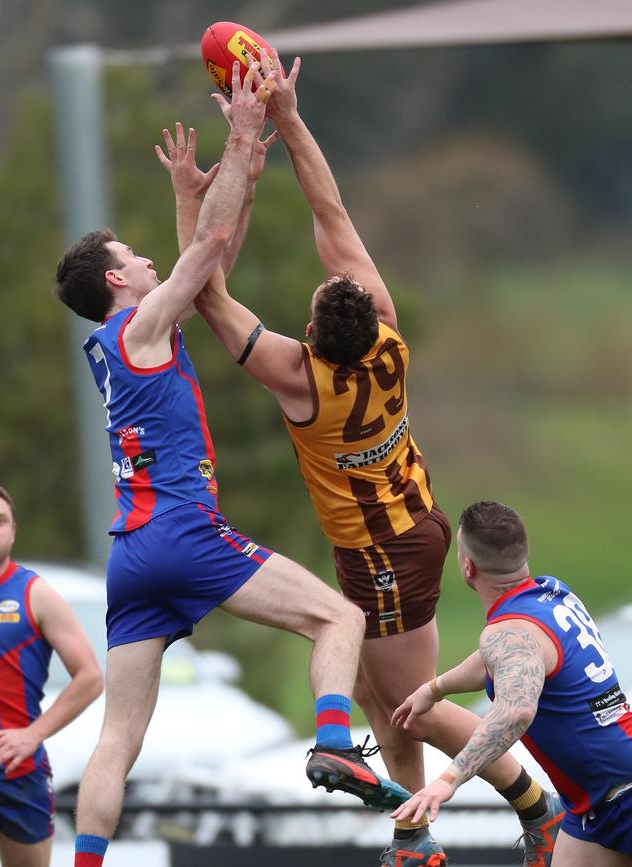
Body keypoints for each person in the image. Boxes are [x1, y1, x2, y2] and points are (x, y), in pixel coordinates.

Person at [161, 48, 564, 867]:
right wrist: (290, 118)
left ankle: (487, 814)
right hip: (409, 526)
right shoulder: (384, 333)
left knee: (406, 704)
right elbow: (331, 211)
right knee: (386, 697)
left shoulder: (301, 379)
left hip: (385, 551)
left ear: (311, 337)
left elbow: (203, 290)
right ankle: (417, 832)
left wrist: (220, 169)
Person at [54, 63, 407, 867]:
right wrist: (248, 127)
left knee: (118, 735)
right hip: (183, 530)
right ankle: (333, 743)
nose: (149, 263)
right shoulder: (142, 323)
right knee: (339, 617)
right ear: (117, 280)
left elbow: (207, 268)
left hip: (131, 554)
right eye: (136, 257)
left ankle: (85, 863)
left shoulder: (121, 341)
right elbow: (208, 252)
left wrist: (206, 185)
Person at [392, 500, 632, 866]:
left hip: (623, 796)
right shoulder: (551, 593)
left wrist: (447, 780)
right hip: (594, 805)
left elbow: (517, 710)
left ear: (467, 566)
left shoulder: (508, 632)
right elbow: (495, 661)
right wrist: (433, 689)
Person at [0, 481, 103, 867]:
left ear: (13, 531)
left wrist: (33, 735)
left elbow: (89, 677)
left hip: (17, 770)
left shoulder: (35, 594)